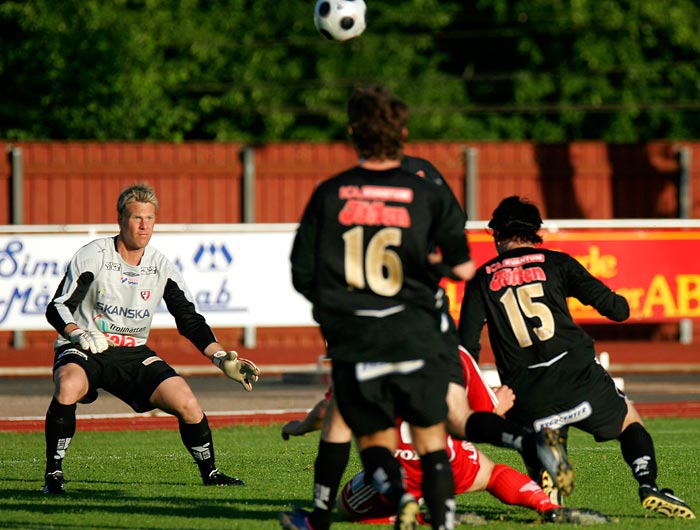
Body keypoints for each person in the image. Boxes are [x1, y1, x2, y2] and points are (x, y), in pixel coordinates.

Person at [286, 84, 476, 530]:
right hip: (417, 332)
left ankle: (397, 497)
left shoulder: (330, 192)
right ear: (403, 132)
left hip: (357, 338)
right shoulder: (425, 189)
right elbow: (464, 268)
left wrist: (335, 311)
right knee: (431, 439)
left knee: (374, 440)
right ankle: (443, 522)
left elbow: (302, 274)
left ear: (353, 133)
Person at [458, 195, 696, 520]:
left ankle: (548, 482)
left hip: (524, 389)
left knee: (540, 436)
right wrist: (619, 301)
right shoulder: (557, 262)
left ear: (497, 233)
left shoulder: (481, 279)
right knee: (629, 420)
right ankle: (648, 484)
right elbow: (617, 310)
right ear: (536, 231)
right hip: (576, 375)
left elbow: (466, 348)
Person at [42, 183, 261, 494]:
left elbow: (189, 319)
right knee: (68, 386)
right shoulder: (94, 255)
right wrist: (78, 334)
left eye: (149, 218)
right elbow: (58, 306)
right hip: (86, 348)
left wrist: (218, 356)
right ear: (120, 220)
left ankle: (210, 473)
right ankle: (53, 474)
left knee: (186, 401)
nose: (144, 226)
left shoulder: (161, 267)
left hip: (132, 353)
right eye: (136, 218)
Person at [283, 348, 607, 525]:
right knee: (490, 471)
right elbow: (477, 416)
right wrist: (500, 402)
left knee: (347, 505)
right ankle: (546, 503)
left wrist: (298, 426)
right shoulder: (456, 354)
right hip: (451, 461)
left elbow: (328, 414)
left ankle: (409, 510)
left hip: (401, 464)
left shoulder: (366, 348)